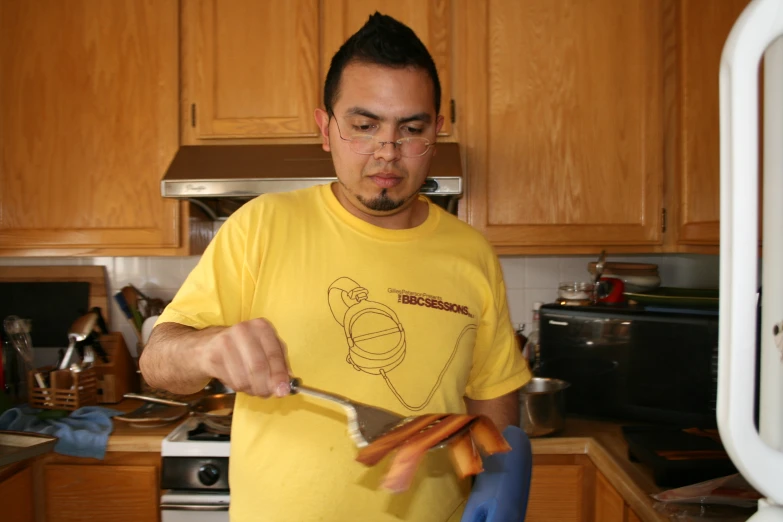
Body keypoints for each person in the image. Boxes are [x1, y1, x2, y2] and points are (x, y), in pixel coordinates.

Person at [141, 12, 531, 522]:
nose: (386, 154)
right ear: (326, 128)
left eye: (410, 129)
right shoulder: (260, 226)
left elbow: (492, 402)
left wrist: (488, 494)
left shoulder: (472, 253)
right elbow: (157, 363)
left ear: (436, 130)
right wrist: (206, 348)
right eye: (364, 127)